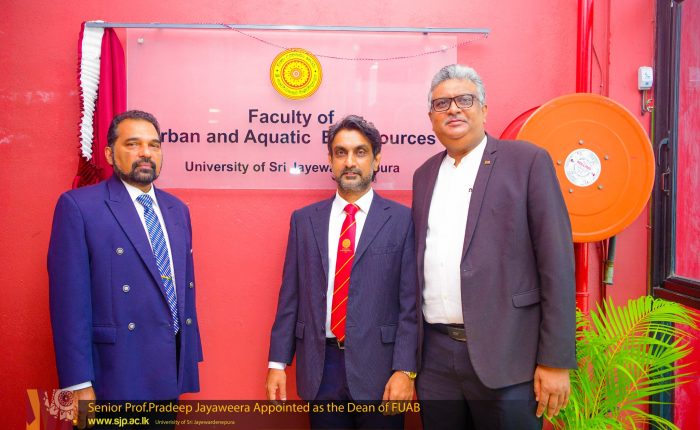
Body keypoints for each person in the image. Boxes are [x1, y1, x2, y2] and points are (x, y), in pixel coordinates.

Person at [412, 64, 576, 429]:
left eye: (464, 100)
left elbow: (557, 264)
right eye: (442, 104)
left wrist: (555, 360)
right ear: (431, 118)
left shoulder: (527, 162)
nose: (453, 109)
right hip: (435, 358)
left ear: (484, 109)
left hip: (508, 356)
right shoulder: (424, 175)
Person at [48, 110, 203, 428]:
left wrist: (188, 355)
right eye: (133, 144)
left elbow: (182, 290)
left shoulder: (177, 210)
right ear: (109, 153)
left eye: (154, 145)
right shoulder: (79, 207)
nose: (146, 152)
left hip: (168, 369)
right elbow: (69, 303)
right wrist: (78, 383)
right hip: (113, 373)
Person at [266, 115, 418, 429]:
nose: (350, 162)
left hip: (381, 368)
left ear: (377, 159)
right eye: (341, 152)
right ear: (330, 160)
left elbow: (410, 305)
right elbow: (290, 296)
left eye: (360, 152)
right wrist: (278, 362)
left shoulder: (403, 221)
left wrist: (405, 370)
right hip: (321, 366)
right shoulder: (304, 220)